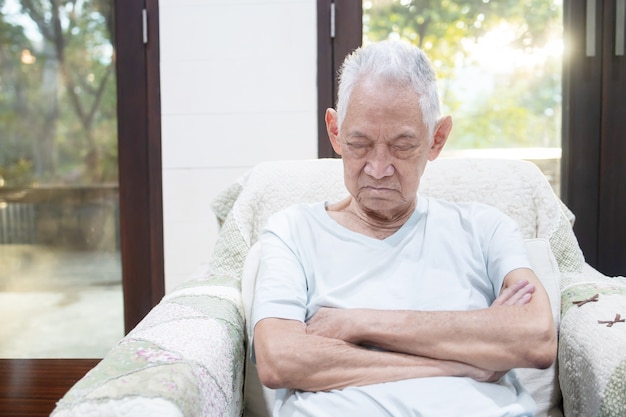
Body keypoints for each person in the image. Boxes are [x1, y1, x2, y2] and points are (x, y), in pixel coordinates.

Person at [251, 40, 557, 417]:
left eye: (402, 146)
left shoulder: (484, 228)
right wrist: (460, 361)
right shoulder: (292, 231)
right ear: (335, 131)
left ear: (436, 138)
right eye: (359, 144)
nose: (378, 168)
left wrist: (357, 322)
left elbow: (537, 338)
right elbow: (280, 359)